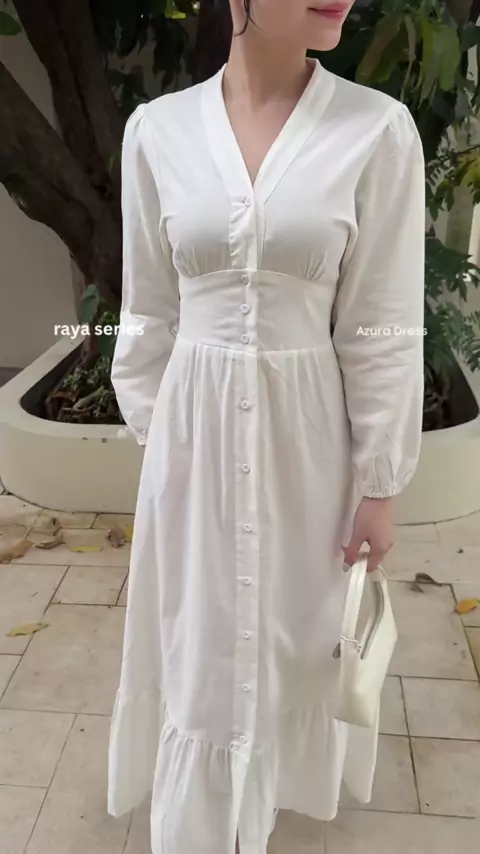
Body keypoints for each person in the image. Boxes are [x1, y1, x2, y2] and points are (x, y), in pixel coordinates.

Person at [107, 1, 425, 852]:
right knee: (201, 635)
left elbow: (383, 326)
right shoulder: (157, 133)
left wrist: (380, 482)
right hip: (193, 443)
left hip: (308, 444)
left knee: (294, 630)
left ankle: (271, 791)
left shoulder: (377, 131)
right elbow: (148, 314)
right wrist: (165, 443)